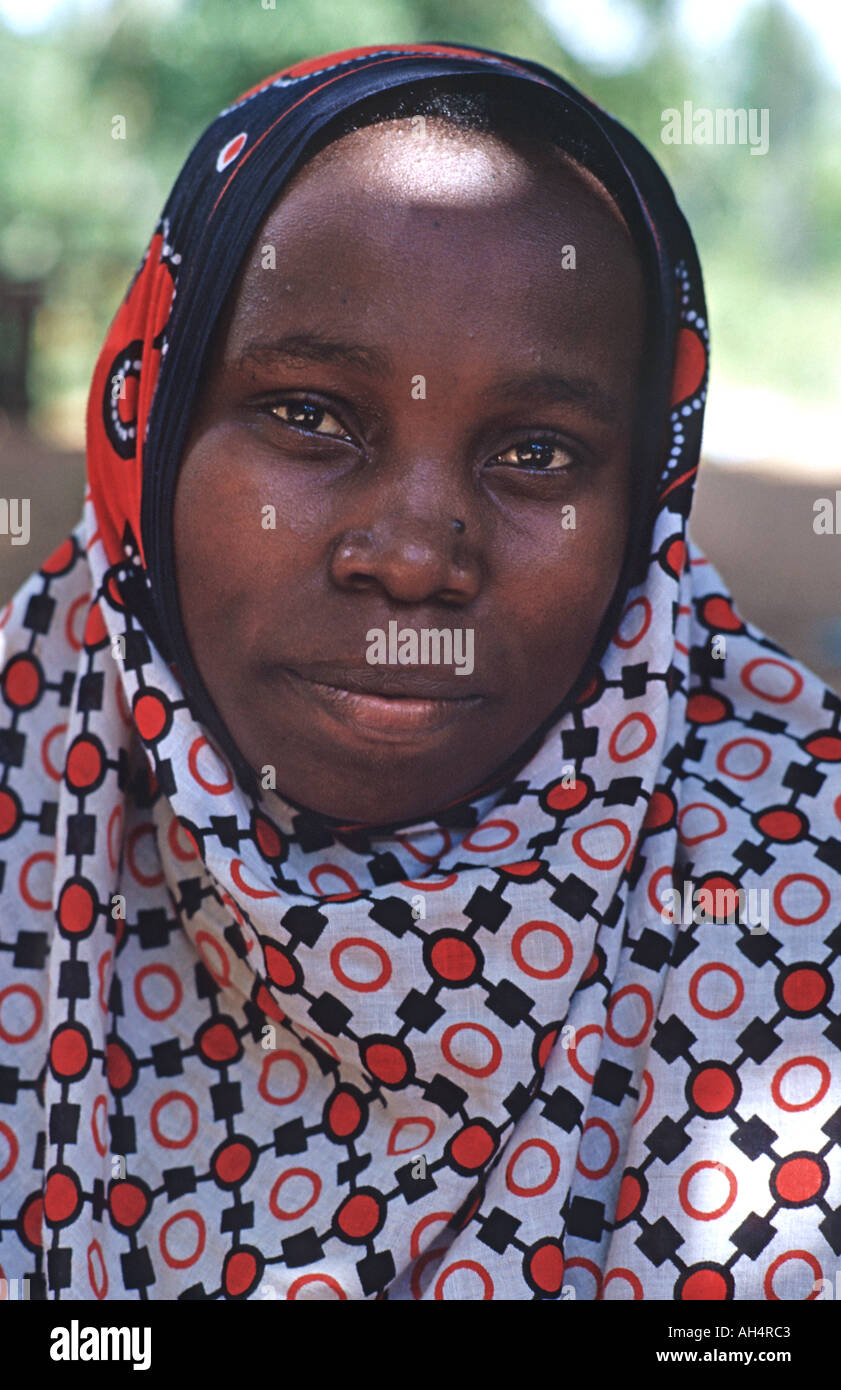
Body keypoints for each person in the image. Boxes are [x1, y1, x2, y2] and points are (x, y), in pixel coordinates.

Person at [0, 41, 839, 1303]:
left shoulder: (796, 875)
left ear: (645, 510)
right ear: (150, 430)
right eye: (307, 414)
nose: (409, 559)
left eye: (539, 451)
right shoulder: (37, 769)